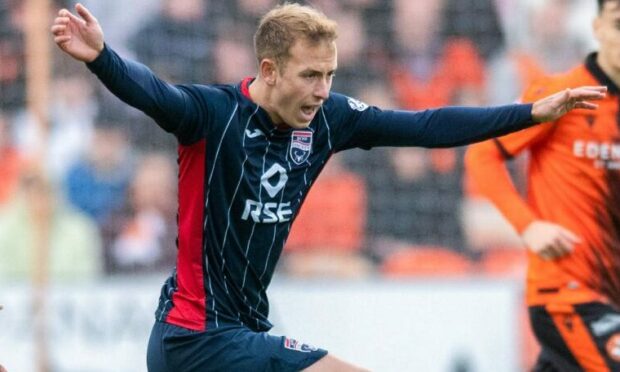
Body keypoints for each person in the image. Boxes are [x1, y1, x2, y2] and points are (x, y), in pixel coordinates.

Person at [51, 3, 605, 371]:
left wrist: (531, 112)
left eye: (330, 75)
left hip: (239, 332)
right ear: (269, 70)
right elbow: (153, 93)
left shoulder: (329, 120)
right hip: (195, 337)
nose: (322, 90)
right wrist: (102, 58)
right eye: (310, 76)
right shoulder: (212, 114)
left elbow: (428, 126)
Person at [465, 1, 620, 370]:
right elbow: (482, 154)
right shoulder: (562, 93)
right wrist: (528, 225)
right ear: (597, 28)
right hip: (568, 295)